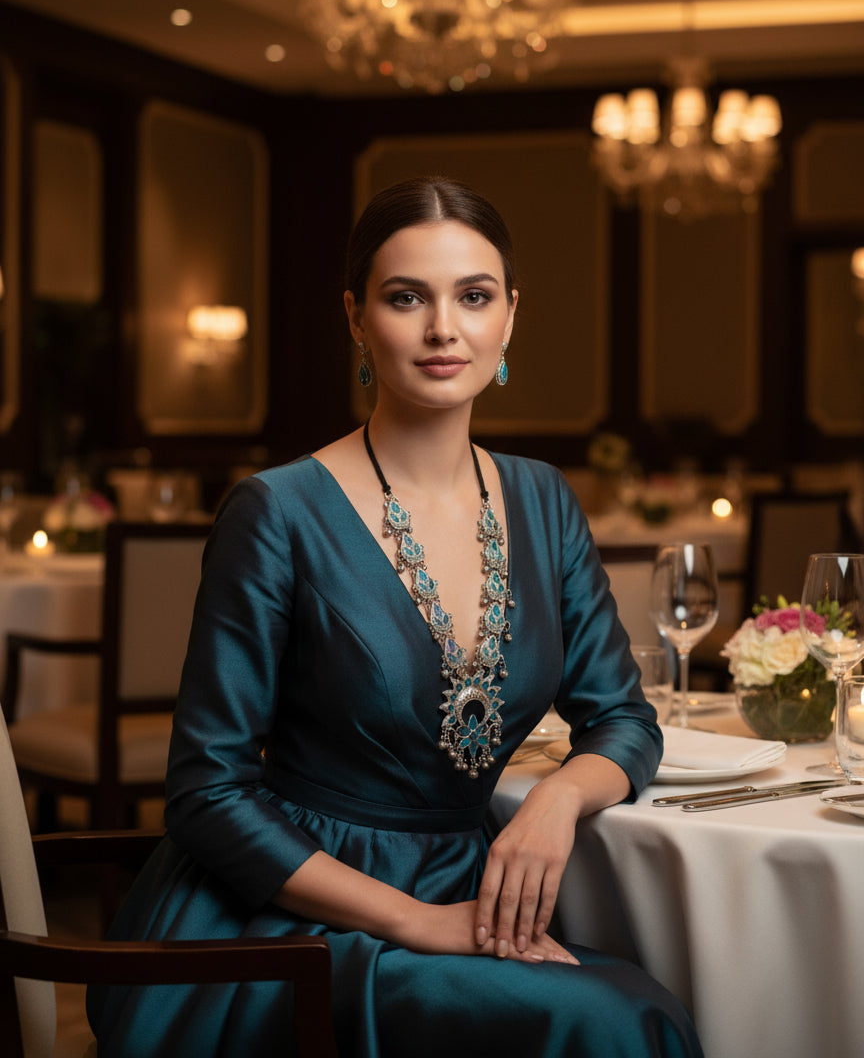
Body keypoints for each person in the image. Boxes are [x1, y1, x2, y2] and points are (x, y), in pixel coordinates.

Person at [88, 177, 703, 1057]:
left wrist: (558, 800)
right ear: (355, 318)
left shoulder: (543, 499)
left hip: (468, 881)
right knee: (611, 1021)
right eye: (406, 297)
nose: (444, 328)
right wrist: (415, 923)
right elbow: (207, 792)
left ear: (510, 318)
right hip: (293, 916)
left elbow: (624, 720)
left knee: (648, 1004)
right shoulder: (277, 512)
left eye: (474, 297)